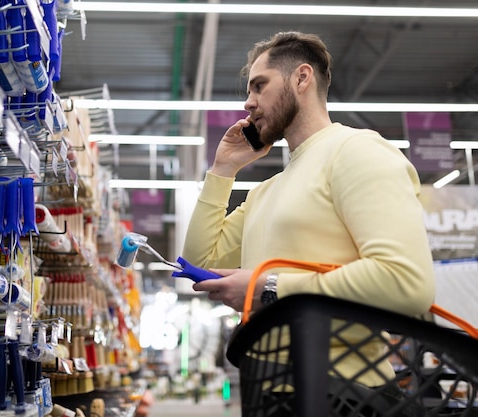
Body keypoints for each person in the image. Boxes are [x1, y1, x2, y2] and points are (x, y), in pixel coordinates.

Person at [181, 31, 436, 414]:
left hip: (347, 394)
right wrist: (223, 169)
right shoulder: (266, 191)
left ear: (302, 78)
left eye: (259, 85)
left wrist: (269, 289)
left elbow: (406, 283)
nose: (248, 102)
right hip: (271, 390)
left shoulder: (357, 151)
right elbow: (198, 265)